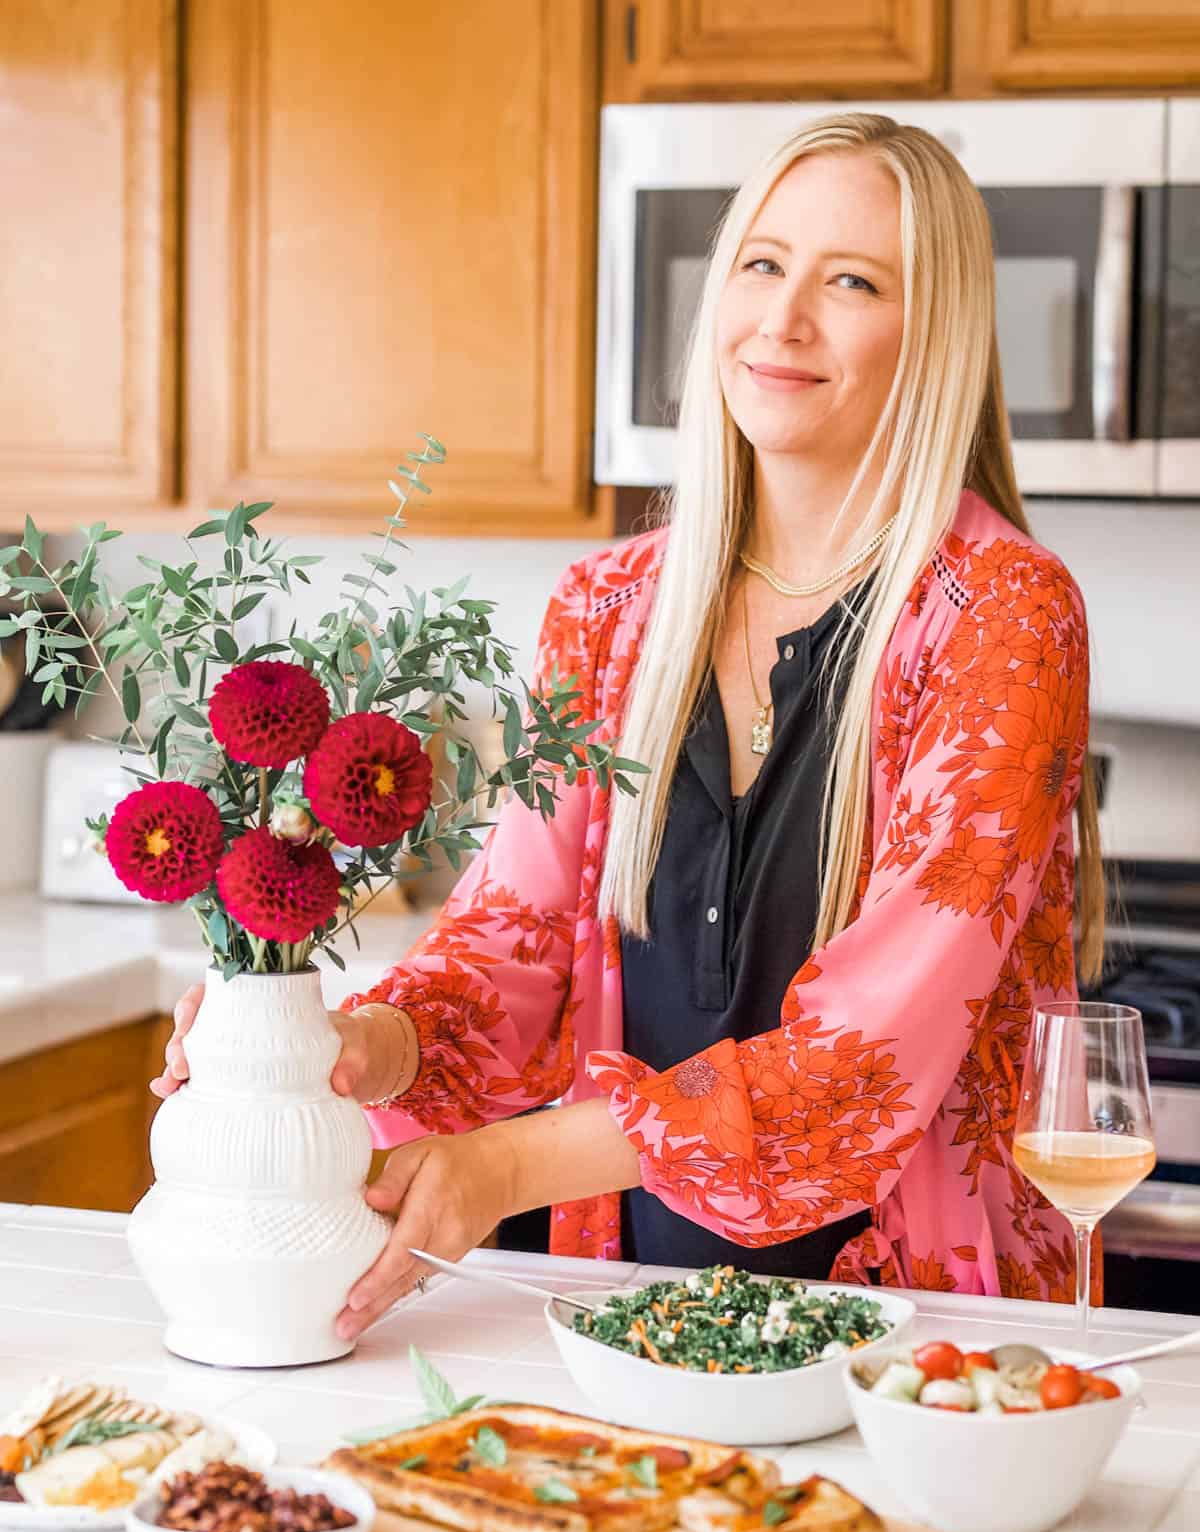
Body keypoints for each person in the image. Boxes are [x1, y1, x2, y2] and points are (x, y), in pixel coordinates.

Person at [154, 111, 1103, 1341]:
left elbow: (871, 1056)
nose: (782, 319)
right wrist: (351, 1046)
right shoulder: (608, 612)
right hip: (636, 1315)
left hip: (926, 1340)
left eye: (852, 280)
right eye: (761, 264)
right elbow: (513, 947)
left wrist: (505, 1167)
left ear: (934, 337)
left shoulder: (1004, 616)